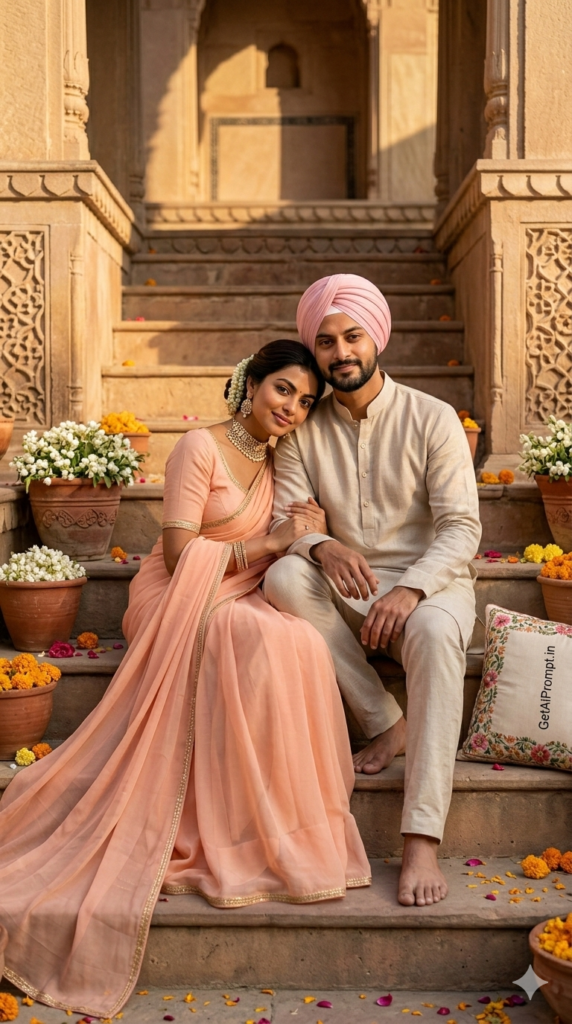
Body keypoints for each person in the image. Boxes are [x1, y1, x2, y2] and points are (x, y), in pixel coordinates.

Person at [0, 340, 370, 1019]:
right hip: (176, 594)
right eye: (282, 390)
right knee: (255, 634)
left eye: (305, 401)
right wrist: (273, 541)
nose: (291, 408)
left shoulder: (280, 458)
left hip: (238, 587)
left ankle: (275, 825)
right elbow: (178, 552)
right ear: (250, 383)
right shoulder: (196, 448)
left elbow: (301, 526)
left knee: (300, 644)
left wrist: (303, 533)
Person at [263, 275, 481, 909]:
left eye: (352, 336)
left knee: (439, 635)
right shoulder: (302, 428)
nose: (340, 353)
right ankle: (387, 719)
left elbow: (462, 528)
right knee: (282, 576)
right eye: (325, 341)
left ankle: (420, 838)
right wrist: (320, 547)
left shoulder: (432, 417)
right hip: (346, 581)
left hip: (429, 584)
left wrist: (410, 589)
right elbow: (289, 518)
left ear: (375, 336)